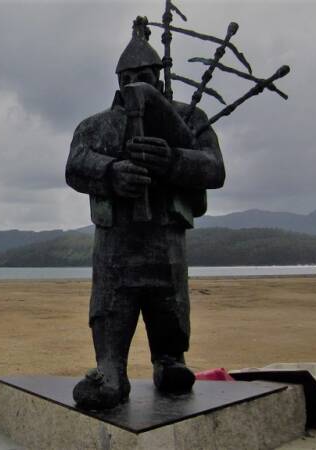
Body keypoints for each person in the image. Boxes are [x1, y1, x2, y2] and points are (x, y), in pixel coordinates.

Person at [65, 17, 225, 410]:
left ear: (159, 75)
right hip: (116, 244)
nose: (138, 81)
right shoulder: (95, 126)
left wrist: (172, 159)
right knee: (111, 306)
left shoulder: (188, 120)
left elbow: (214, 169)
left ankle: (169, 360)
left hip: (167, 241)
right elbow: (75, 166)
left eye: (146, 74)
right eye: (130, 75)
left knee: (170, 306)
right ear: (118, 80)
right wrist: (110, 172)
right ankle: (111, 369)